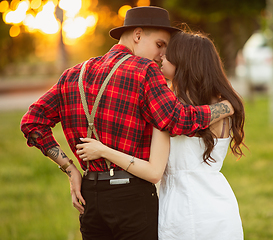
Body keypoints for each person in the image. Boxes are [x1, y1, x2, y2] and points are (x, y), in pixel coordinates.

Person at [20, 6, 234, 240]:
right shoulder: (145, 71)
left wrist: (71, 170)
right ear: (138, 35)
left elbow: (32, 122)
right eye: (160, 45)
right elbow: (176, 120)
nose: (161, 55)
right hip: (132, 195)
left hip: (90, 195)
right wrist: (225, 107)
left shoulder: (74, 73)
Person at [76, 31, 246, 240]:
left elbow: (153, 171)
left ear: (185, 61)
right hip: (218, 207)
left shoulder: (168, 112)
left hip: (183, 208)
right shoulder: (221, 106)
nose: (161, 57)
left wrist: (103, 150)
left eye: (168, 53)